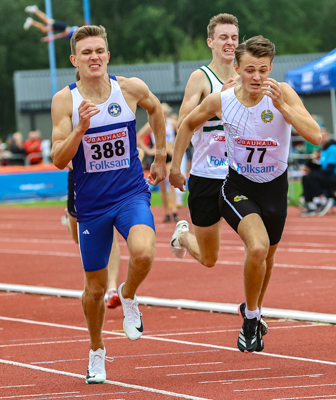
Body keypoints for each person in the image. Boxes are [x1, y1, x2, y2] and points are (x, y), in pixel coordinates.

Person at [174, 35, 321, 352]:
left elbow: (315, 136)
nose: (257, 77)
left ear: (270, 70)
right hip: (238, 187)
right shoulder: (222, 100)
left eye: (263, 70)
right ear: (237, 69)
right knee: (257, 248)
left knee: (267, 257)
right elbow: (186, 124)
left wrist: (283, 107)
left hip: (275, 188)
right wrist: (174, 166)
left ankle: (252, 312)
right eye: (251, 70)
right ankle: (252, 319)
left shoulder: (283, 94)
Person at [50, 25, 167, 384]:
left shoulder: (129, 88)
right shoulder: (65, 101)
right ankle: (96, 349)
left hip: (130, 193)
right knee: (95, 290)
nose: (94, 57)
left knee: (144, 252)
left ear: (108, 55)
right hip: (92, 206)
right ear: (75, 60)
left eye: (99, 50)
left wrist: (161, 155)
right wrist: (80, 128)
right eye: (86, 52)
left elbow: (156, 109)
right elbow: (58, 158)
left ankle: (129, 293)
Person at [169, 13, 239, 267]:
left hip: (239, 175)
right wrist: (216, 101)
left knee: (259, 239)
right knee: (209, 258)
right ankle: (182, 237)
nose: (230, 43)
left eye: (234, 37)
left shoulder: (246, 77)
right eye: (223, 37)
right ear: (210, 42)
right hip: (207, 174)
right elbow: (183, 124)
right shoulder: (201, 78)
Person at [63, 162, 122, 309]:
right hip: (80, 179)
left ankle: (112, 289)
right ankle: (69, 218)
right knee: (79, 238)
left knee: (110, 230)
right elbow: (60, 158)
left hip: (107, 178)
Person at [137, 103, 179, 222]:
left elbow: (183, 134)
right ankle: (166, 212)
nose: (164, 114)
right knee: (162, 186)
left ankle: (174, 210)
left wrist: (175, 148)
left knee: (171, 182)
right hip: (159, 156)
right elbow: (139, 137)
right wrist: (149, 150)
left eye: (165, 112)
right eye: (162, 112)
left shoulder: (172, 123)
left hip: (169, 155)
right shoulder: (152, 123)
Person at [301, 128, 336, 216]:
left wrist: (312, 171)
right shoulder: (324, 150)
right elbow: (322, 167)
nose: (323, 139)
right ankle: (310, 203)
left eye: (324, 136)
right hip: (330, 176)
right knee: (306, 177)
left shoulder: (333, 149)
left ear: (328, 136)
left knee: (313, 176)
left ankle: (322, 200)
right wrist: (308, 167)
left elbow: (329, 169)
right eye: (321, 137)